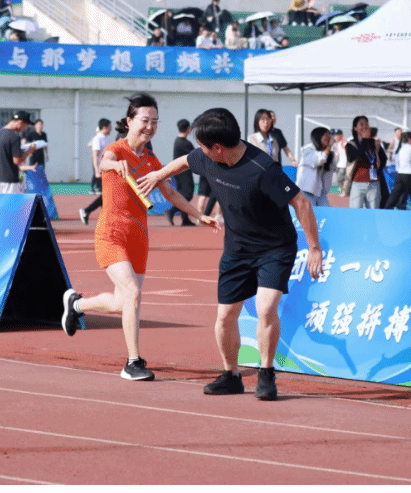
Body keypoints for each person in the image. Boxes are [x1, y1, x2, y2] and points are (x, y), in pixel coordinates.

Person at [136, 107, 319, 399]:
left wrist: (314, 248)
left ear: (219, 148)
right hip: (237, 249)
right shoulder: (207, 157)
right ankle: (231, 375)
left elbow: (302, 203)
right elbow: (183, 162)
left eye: (204, 146)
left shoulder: (262, 168)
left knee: (265, 308)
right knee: (224, 317)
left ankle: (266, 374)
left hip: (274, 248)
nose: (200, 152)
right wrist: (158, 174)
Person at [61, 94, 220, 381]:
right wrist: (114, 166)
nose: (150, 126)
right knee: (133, 294)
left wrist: (199, 215)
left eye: (155, 121)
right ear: (130, 121)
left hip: (139, 236)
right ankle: (133, 362)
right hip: (111, 233)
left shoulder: (151, 159)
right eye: (145, 120)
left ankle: (76, 305)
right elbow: (104, 163)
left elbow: (169, 193)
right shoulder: (116, 149)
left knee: (123, 302)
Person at [0, 110, 36, 194]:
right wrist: (28, 152)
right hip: (9, 178)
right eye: (25, 126)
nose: (23, 129)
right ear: (20, 122)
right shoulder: (14, 136)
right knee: (12, 202)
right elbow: (17, 161)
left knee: (1, 201)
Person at [79, 119, 112, 225]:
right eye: (110, 127)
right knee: (106, 194)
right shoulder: (97, 139)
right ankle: (87, 211)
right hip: (101, 169)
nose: (111, 129)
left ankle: (104, 217)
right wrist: (97, 171)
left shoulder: (106, 138)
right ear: (104, 127)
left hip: (106, 169)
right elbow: (95, 156)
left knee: (106, 195)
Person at [344, 115, 381, 208]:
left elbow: (382, 161)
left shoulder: (374, 143)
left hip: (374, 183)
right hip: (358, 183)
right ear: (355, 128)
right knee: (356, 212)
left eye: (366, 124)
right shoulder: (350, 144)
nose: (365, 126)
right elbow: (356, 157)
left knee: (373, 212)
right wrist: (364, 140)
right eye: (361, 124)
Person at [166, 119, 197, 226]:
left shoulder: (177, 141)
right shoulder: (184, 143)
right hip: (183, 172)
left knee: (183, 194)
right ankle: (172, 211)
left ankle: (185, 218)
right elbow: (195, 155)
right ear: (188, 129)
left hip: (178, 172)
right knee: (188, 194)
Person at [295, 127, 335, 207]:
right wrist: (329, 147)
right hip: (306, 190)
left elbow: (331, 170)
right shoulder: (308, 149)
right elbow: (319, 159)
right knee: (310, 212)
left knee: (326, 211)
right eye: (326, 135)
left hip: (319, 191)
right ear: (318, 136)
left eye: (329, 135)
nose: (329, 138)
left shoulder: (329, 153)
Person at [384, 132, 411, 210]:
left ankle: (387, 208)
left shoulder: (401, 149)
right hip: (410, 174)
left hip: (400, 174)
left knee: (395, 194)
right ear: (409, 139)